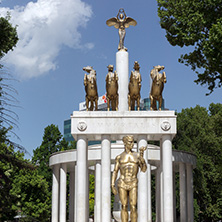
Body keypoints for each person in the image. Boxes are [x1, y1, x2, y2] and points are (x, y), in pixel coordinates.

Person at [111, 135, 147, 222]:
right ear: (125, 143)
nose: (132, 144)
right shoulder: (119, 157)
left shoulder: (137, 155)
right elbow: (115, 171)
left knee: (133, 206)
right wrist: (112, 185)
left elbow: (144, 169)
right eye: (130, 142)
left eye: (133, 142)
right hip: (122, 182)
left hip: (133, 182)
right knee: (123, 206)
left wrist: (143, 160)